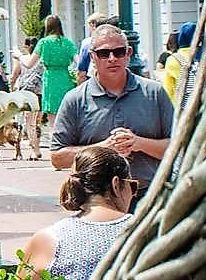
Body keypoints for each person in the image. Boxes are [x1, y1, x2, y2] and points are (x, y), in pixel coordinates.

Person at [7, 147, 137, 280]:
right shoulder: (146, 229)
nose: (133, 194)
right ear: (116, 185)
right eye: (132, 186)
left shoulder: (50, 238)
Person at [49, 20, 175, 186]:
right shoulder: (75, 99)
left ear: (129, 53)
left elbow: (177, 147)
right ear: (92, 57)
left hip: (149, 195)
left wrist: (138, 143)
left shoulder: (154, 93)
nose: (112, 58)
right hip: (96, 200)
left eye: (119, 52)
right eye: (104, 53)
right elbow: (57, 157)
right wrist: (103, 149)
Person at [34, 14, 79, 124]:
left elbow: (29, 63)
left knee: (52, 116)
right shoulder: (67, 42)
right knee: (67, 112)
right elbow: (78, 60)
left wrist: (19, 56)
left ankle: (55, 137)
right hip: (65, 78)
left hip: (50, 79)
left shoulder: (44, 42)